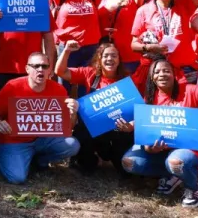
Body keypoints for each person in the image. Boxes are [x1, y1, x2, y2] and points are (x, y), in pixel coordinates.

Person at [120, 56, 198, 208]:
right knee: (129, 163)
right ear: (152, 77)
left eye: (166, 71)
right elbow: (146, 135)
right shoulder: (150, 98)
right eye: (157, 72)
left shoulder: (192, 91)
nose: (162, 74)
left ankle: (193, 188)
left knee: (176, 162)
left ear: (174, 74)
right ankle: (172, 175)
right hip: (164, 150)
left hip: (193, 149)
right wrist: (150, 148)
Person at [0, 52, 80, 184]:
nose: (40, 70)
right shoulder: (13, 86)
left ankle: (39, 160)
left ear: (49, 69)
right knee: (17, 178)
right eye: (36, 66)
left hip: (42, 139)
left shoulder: (58, 90)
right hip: (14, 140)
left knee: (72, 145)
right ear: (27, 69)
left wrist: (73, 113)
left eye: (44, 66)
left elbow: (67, 128)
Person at [55, 42, 138, 176]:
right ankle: (89, 159)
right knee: (86, 163)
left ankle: (113, 158)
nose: (110, 59)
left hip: (118, 130)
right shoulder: (90, 73)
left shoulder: (128, 79)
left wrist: (131, 126)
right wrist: (66, 51)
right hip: (93, 129)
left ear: (119, 60)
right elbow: (60, 72)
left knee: (125, 173)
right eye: (105, 56)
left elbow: (138, 107)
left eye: (114, 56)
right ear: (99, 59)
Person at [48, 0, 113, 97]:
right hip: (67, 50)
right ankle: (66, 118)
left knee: (88, 89)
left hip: (90, 50)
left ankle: (83, 120)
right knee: (64, 88)